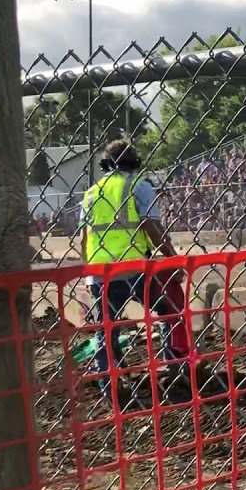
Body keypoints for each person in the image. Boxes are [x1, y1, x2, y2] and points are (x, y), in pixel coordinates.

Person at [81, 139, 191, 403]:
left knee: (107, 329)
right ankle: (175, 371)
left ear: (106, 164)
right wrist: (172, 260)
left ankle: (111, 382)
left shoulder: (91, 193)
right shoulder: (138, 187)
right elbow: (151, 227)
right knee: (167, 311)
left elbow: (84, 240)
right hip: (134, 268)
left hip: (100, 272)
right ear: (134, 163)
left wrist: (89, 274)